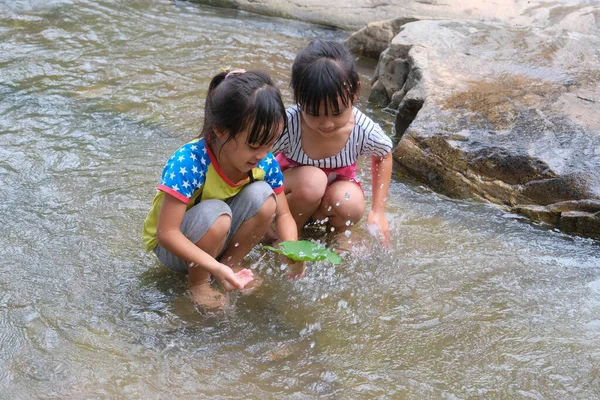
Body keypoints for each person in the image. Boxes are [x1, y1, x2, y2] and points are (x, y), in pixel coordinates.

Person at [142, 69, 304, 310]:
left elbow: (283, 214)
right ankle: (199, 282)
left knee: (265, 197)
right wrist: (212, 268)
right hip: (175, 250)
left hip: (219, 231)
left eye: (270, 144)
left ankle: (232, 264)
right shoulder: (189, 162)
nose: (262, 155)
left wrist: (292, 251)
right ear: (221, 131)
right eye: (253, 145)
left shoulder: (264, 162)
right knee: (216, 214)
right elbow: (167, 234)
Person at [272, 40, 394, 246]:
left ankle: (336, 233)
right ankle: (288, 233)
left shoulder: (361, 129)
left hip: (327, 198)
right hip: (292, 194)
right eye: (313, 113)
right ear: (299, 99)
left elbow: (384, 154)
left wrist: (378, 210)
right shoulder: (288, 125)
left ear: (355, 93)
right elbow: (256, 157)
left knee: (350, 203)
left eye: (337, 112)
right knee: (313, 181)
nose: (327, 123)